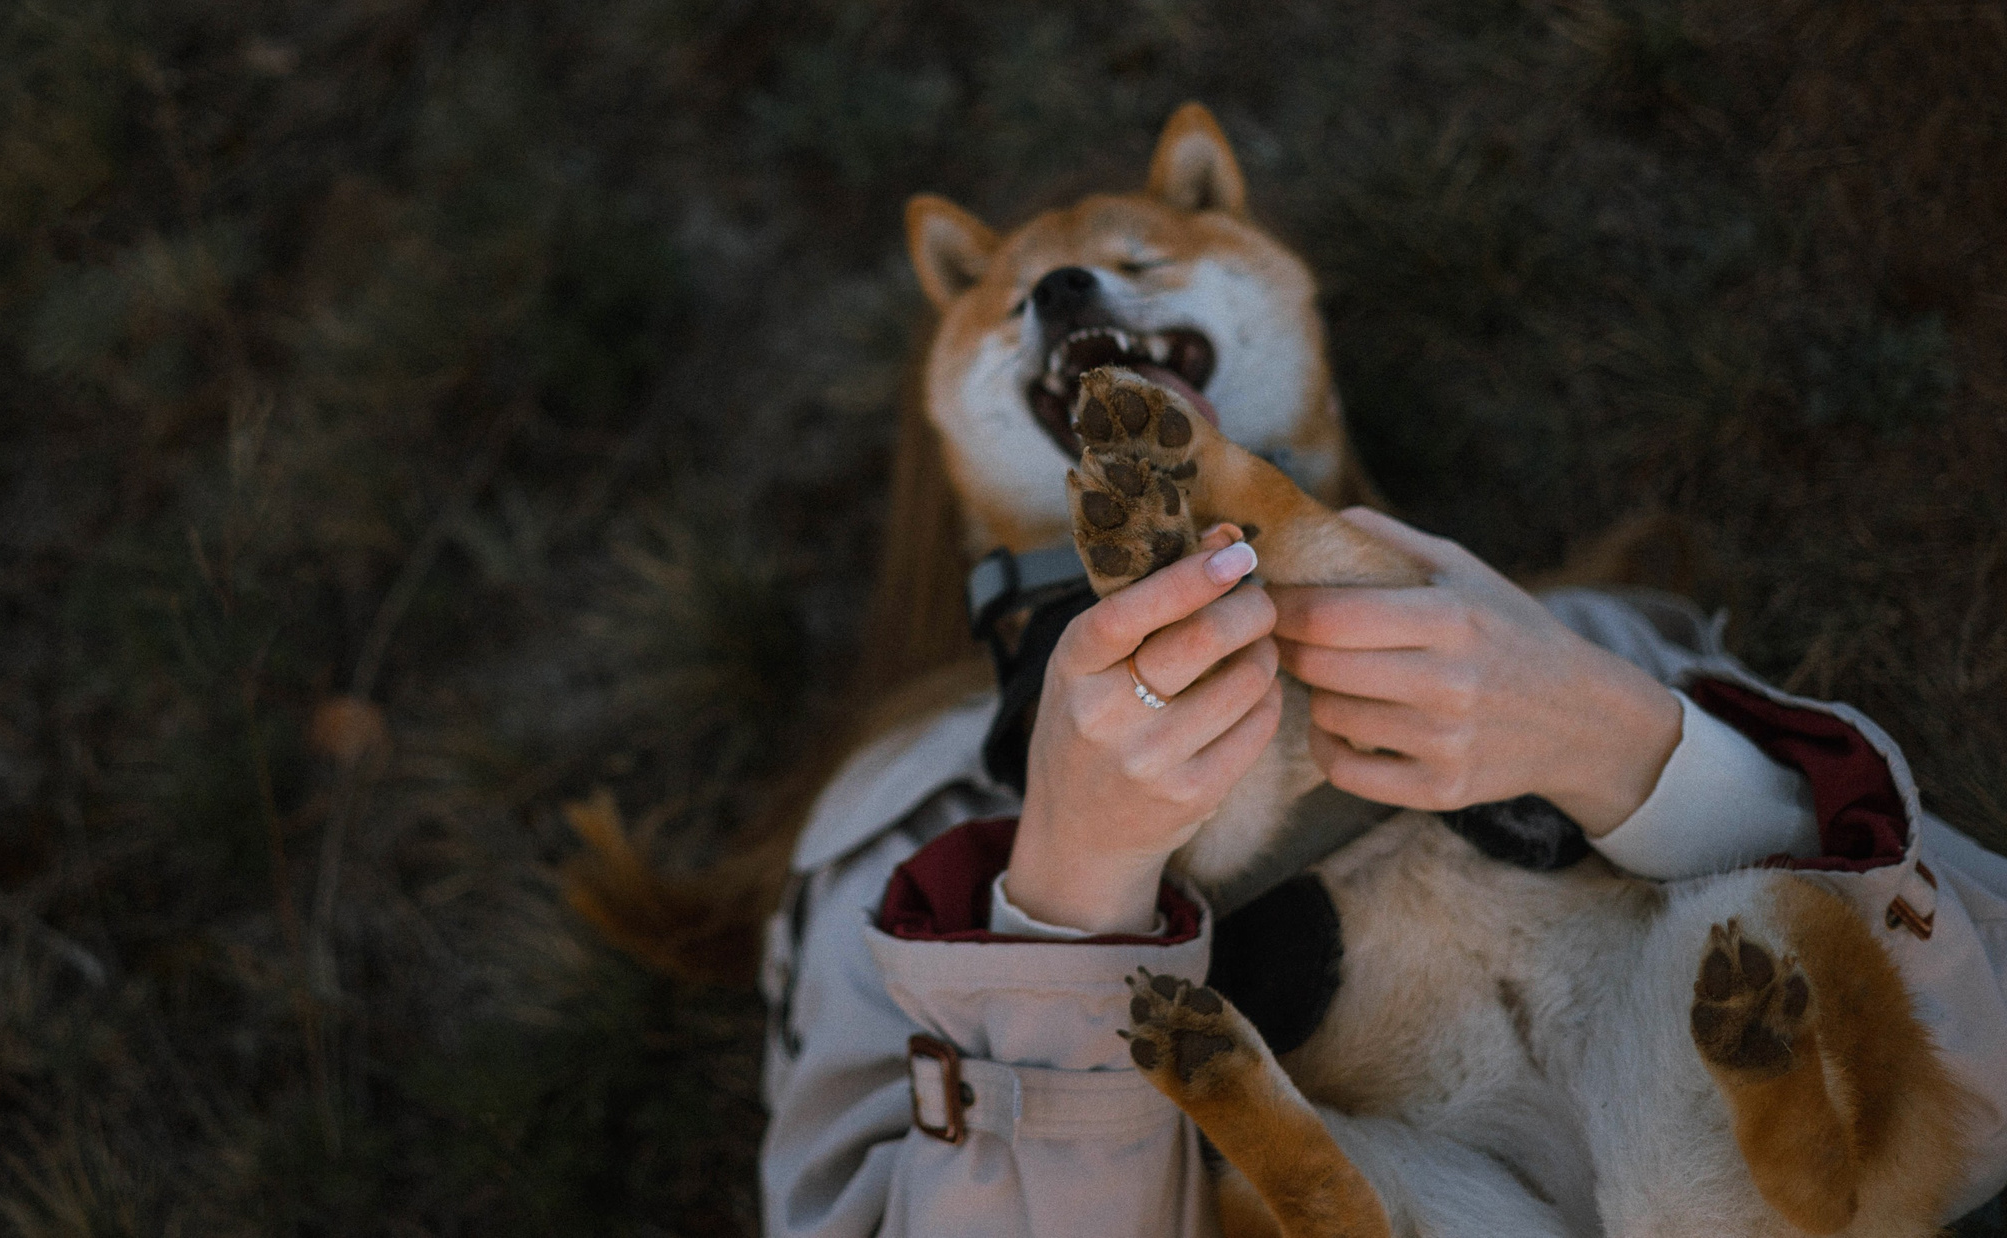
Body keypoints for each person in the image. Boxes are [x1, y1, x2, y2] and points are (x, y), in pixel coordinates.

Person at [759, 511, 2007, 1237]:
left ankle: (1317, 1178)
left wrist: (1605, 730)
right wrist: (1071, 879)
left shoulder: (1499, 611)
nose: (1083, 332)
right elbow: (1974, 1025)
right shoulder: (890, 815)